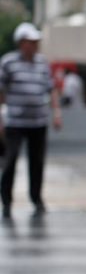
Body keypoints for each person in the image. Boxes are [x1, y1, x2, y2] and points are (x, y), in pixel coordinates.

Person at [0, 22, 62, 220]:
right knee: (9, 162)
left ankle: (36, 199)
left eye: (36, 42)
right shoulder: (8, 62)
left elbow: (51, 89)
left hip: (38, 121)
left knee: (37, 163)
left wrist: (56, 112)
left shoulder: (42, 63)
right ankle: (6, 201)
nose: (34, 46)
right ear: (21, 43)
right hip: (15, 122)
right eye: (30, 42)